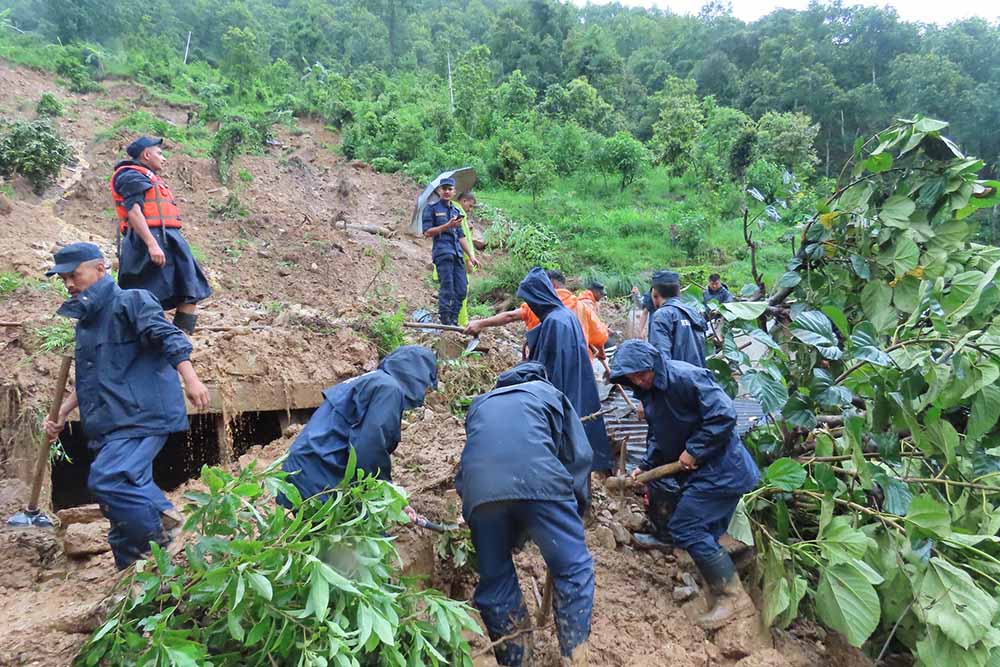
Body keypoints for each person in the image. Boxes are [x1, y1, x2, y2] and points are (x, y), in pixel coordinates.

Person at [42, 243, 211, 570]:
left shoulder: (132, 301)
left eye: (74, 275)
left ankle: (166, 532)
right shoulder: (88, 321)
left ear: (101, 269)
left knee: (110, 479)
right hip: (109, 423)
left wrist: (191, 380)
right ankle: (134, 580)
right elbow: (92, 377)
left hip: (141, 415)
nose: (69, 284)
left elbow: (169, 338)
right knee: (117, 508)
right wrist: (63, 412)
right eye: (63, 279)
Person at [609, 340, 759, 629]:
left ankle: (734, 599)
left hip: (723, 470)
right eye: (632, 378)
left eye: (642, 374)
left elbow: (724, 415)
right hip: (705, 474)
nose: (639, 381)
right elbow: (660, 435)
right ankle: (716, 582)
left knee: (685, 527)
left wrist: (696, 449)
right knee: (706, 532)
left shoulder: (686, 378)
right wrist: (646, 465)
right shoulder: (650, 393)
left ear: (653, 365)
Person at [457, 362, 593, 666]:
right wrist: (576, 509)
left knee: (496, 581)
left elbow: (473, 460)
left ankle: (518, 659)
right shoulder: (549, 393)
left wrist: (479, 513)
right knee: (573, 569)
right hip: (541, 482)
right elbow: (578, 456)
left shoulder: (481, 404)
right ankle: (574, 656)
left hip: (479, 494)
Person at [466, 268, 612, 473]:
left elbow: (546, 369)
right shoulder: (569, 311)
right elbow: (600, 338)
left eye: (530, 299)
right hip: (578, 371)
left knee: (563, 428)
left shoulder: (554, 321)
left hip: (561, 382)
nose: (530, 305)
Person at [280, 346, 437, 510]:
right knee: (353, 533)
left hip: (304, 467)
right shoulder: (389, 389)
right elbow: (370, 446)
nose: (426, 391)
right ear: (418, 374)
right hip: (318, 475)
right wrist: (385, 492)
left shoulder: (375, 380)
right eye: (427, 383)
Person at [110, 136, 212, 334]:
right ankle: (147, 343)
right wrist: (151, 244)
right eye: (159, 153)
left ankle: (180, 340)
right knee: (145, 296)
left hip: (169, 238)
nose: (163, 158)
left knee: (191, 290)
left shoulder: (148, 176)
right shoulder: (130, 176)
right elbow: (134, 212)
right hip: (148, 239)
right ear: (146, 154)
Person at [468, 270, 609, 360]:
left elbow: (509, 316)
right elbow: (600, 337)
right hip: (579, 366)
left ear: (551, 285)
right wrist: (601, 353)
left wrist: (480, 323)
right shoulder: (582, 307)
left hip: (545, 365)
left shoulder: (538, 306)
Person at [422, 178, 480, 325]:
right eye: (444, 189)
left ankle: (453, 320)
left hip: (458, 255)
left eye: (450, 189)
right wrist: (447, 226)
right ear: (440, 191)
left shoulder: (456, 211)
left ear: (454, 192)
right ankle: (445, 321)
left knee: (461, 290)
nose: (447, 191)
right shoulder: (432, 208)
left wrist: (472, 256)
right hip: (443, 253)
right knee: (447, 288)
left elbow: (461, 236)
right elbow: (427, 232)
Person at [648, 270, 708, 367]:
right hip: (699, 377)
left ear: (654, 292)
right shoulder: (694, 312)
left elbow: (662, 359)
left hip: (678, 379)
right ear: (679, 292)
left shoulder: (662, 315)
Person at [454, 192, 479, 328]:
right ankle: (461, 323)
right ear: (464, 201)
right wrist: (468, 259)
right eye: (470, 205)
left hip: (460, 261)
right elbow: (460, 238)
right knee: (461, 292)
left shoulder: (457, 211)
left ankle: (461, 321)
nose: (471, 209)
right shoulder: (458, 212)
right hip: (460, 262)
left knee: (461, 292)